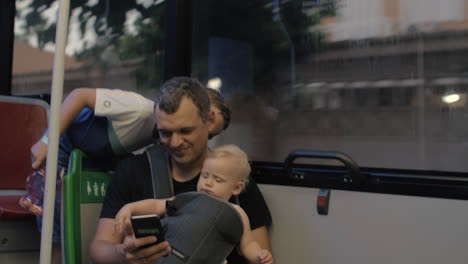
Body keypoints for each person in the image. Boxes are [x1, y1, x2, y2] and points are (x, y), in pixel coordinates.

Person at [20, 87, 230, 264]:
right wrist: (47, 141)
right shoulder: (137, 109)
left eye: (210, 131)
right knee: (55, 223)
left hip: (103, 155)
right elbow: (79, 95)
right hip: (67, 143)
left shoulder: (162, 146)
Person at [90, 77, 272, 264]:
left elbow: (260, 253)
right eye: (165, 133)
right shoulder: (133, 171)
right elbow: (99, 249)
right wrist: (124, 253)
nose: (175, 142)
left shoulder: (233, 179)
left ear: (209, 120)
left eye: (185, 131)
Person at [114, 144, 274, 264]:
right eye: (204, 175)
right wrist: (130, 208)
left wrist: (259, 256)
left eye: (217, 179)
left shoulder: (237, 212)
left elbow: (248, 245)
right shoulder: (189, 200)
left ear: (236, 187)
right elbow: (157, 205)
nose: (208, 183)